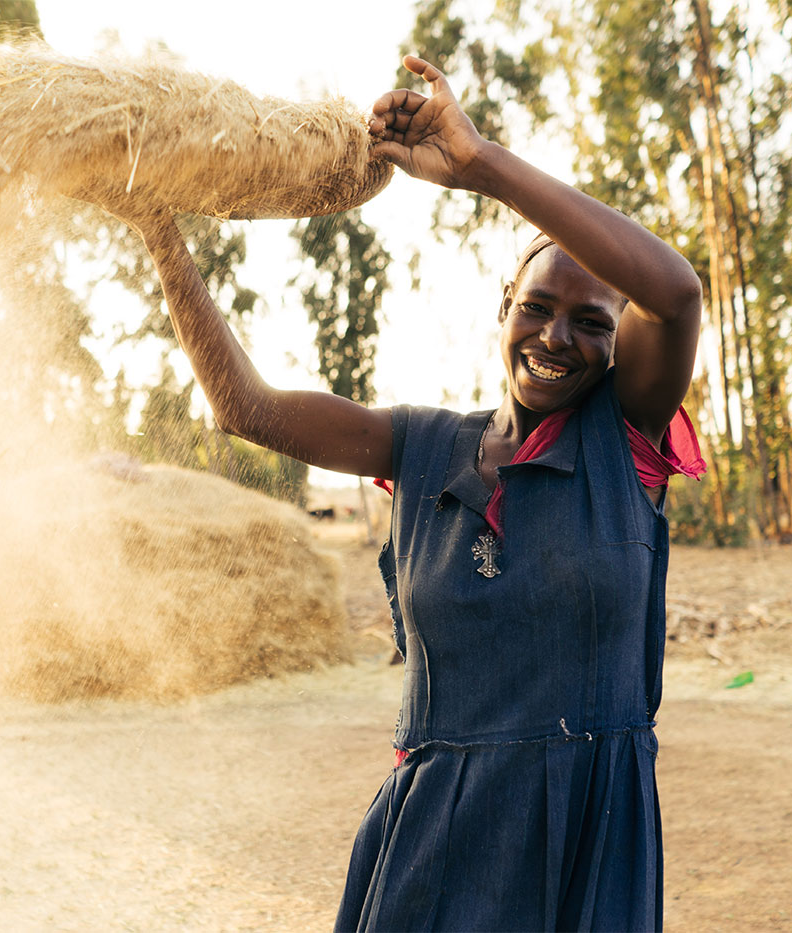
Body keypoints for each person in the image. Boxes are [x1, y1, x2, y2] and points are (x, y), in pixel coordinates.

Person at [89, 54, 704, 933]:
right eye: (537, 307)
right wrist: (156, 226)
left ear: (618, 346)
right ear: (503, 309)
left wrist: (478, 164)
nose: (555, 337)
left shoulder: (628, 438)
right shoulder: (419, 444)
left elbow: (675, 292)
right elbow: (244, 407)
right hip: (434, 838)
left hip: (588, 838)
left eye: (591, 323)